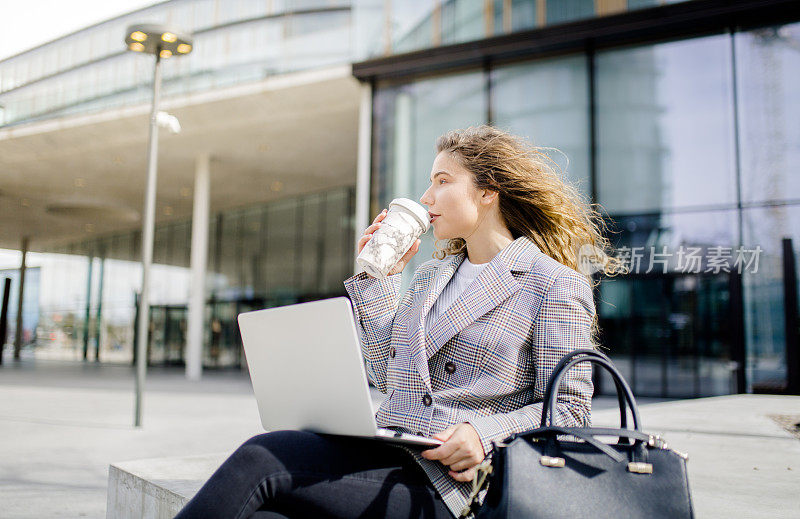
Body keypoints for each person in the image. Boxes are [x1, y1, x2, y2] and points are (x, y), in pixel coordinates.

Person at [174, 125, 619, 519]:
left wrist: (482, 434)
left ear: (489, 190)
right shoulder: (430, 276)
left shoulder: (553, 284)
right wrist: (380, 279)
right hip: (393, 452)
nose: (426, 197)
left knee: (262, 458)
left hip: (458, 485)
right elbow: (389, 375)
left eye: (442, 181)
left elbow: (570, 411)